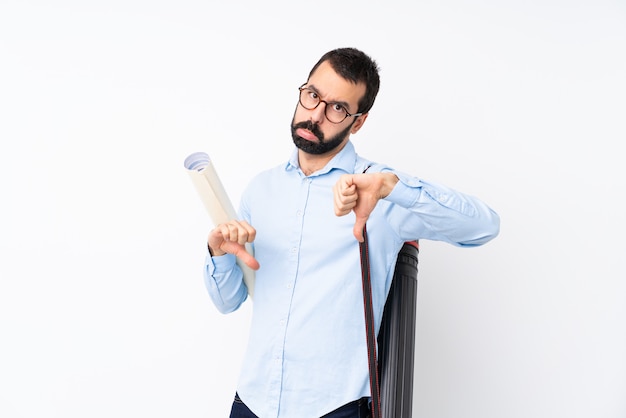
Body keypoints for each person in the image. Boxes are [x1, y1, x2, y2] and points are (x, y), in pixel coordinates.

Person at [203, 47, 500, 418]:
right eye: (312, 96)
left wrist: (395, 188)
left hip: (335, 407)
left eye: (338, 108)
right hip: (253, 401)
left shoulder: (376, 191)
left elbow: (484, 226)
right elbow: (228, 301)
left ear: (357, 122)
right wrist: (217, 254)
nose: (316, 115)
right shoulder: (261, 190)